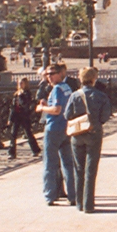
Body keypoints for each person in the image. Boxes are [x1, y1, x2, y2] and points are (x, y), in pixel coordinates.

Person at [65, 67, 112, 213]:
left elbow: (67, 115)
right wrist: (96, 122)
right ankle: (89, 204)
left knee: (79, 169)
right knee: (91, 170)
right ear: (94, 79)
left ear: (80, 78)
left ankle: (79, 203)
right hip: (94, 133)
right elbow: (105, 116)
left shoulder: (75, 95)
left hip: (78, 134)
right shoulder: (101, 96)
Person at [35, 63, 76, 206]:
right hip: (66, 127)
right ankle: (73, 194)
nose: (49, 77)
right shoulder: (67, 88)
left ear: (60, 74)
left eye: (52, 74)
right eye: (47, 74)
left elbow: (57, 109)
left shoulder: (57, 89)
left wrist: (43, 107)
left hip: (53, 128)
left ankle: (49, 195)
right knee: (68, 163)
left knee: (50, 163)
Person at [7, 77, 40, 158]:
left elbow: (25, 104)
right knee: (13, 134)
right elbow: (13, 107)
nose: (20, 85)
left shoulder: (27, 94)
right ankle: (12, 152)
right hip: (16, 116)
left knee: (28, 133)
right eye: (19, 83)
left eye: (22, 83)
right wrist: (10, 119)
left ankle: (35, 150)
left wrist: (21, 96)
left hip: (24, 116)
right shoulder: (16, 94)